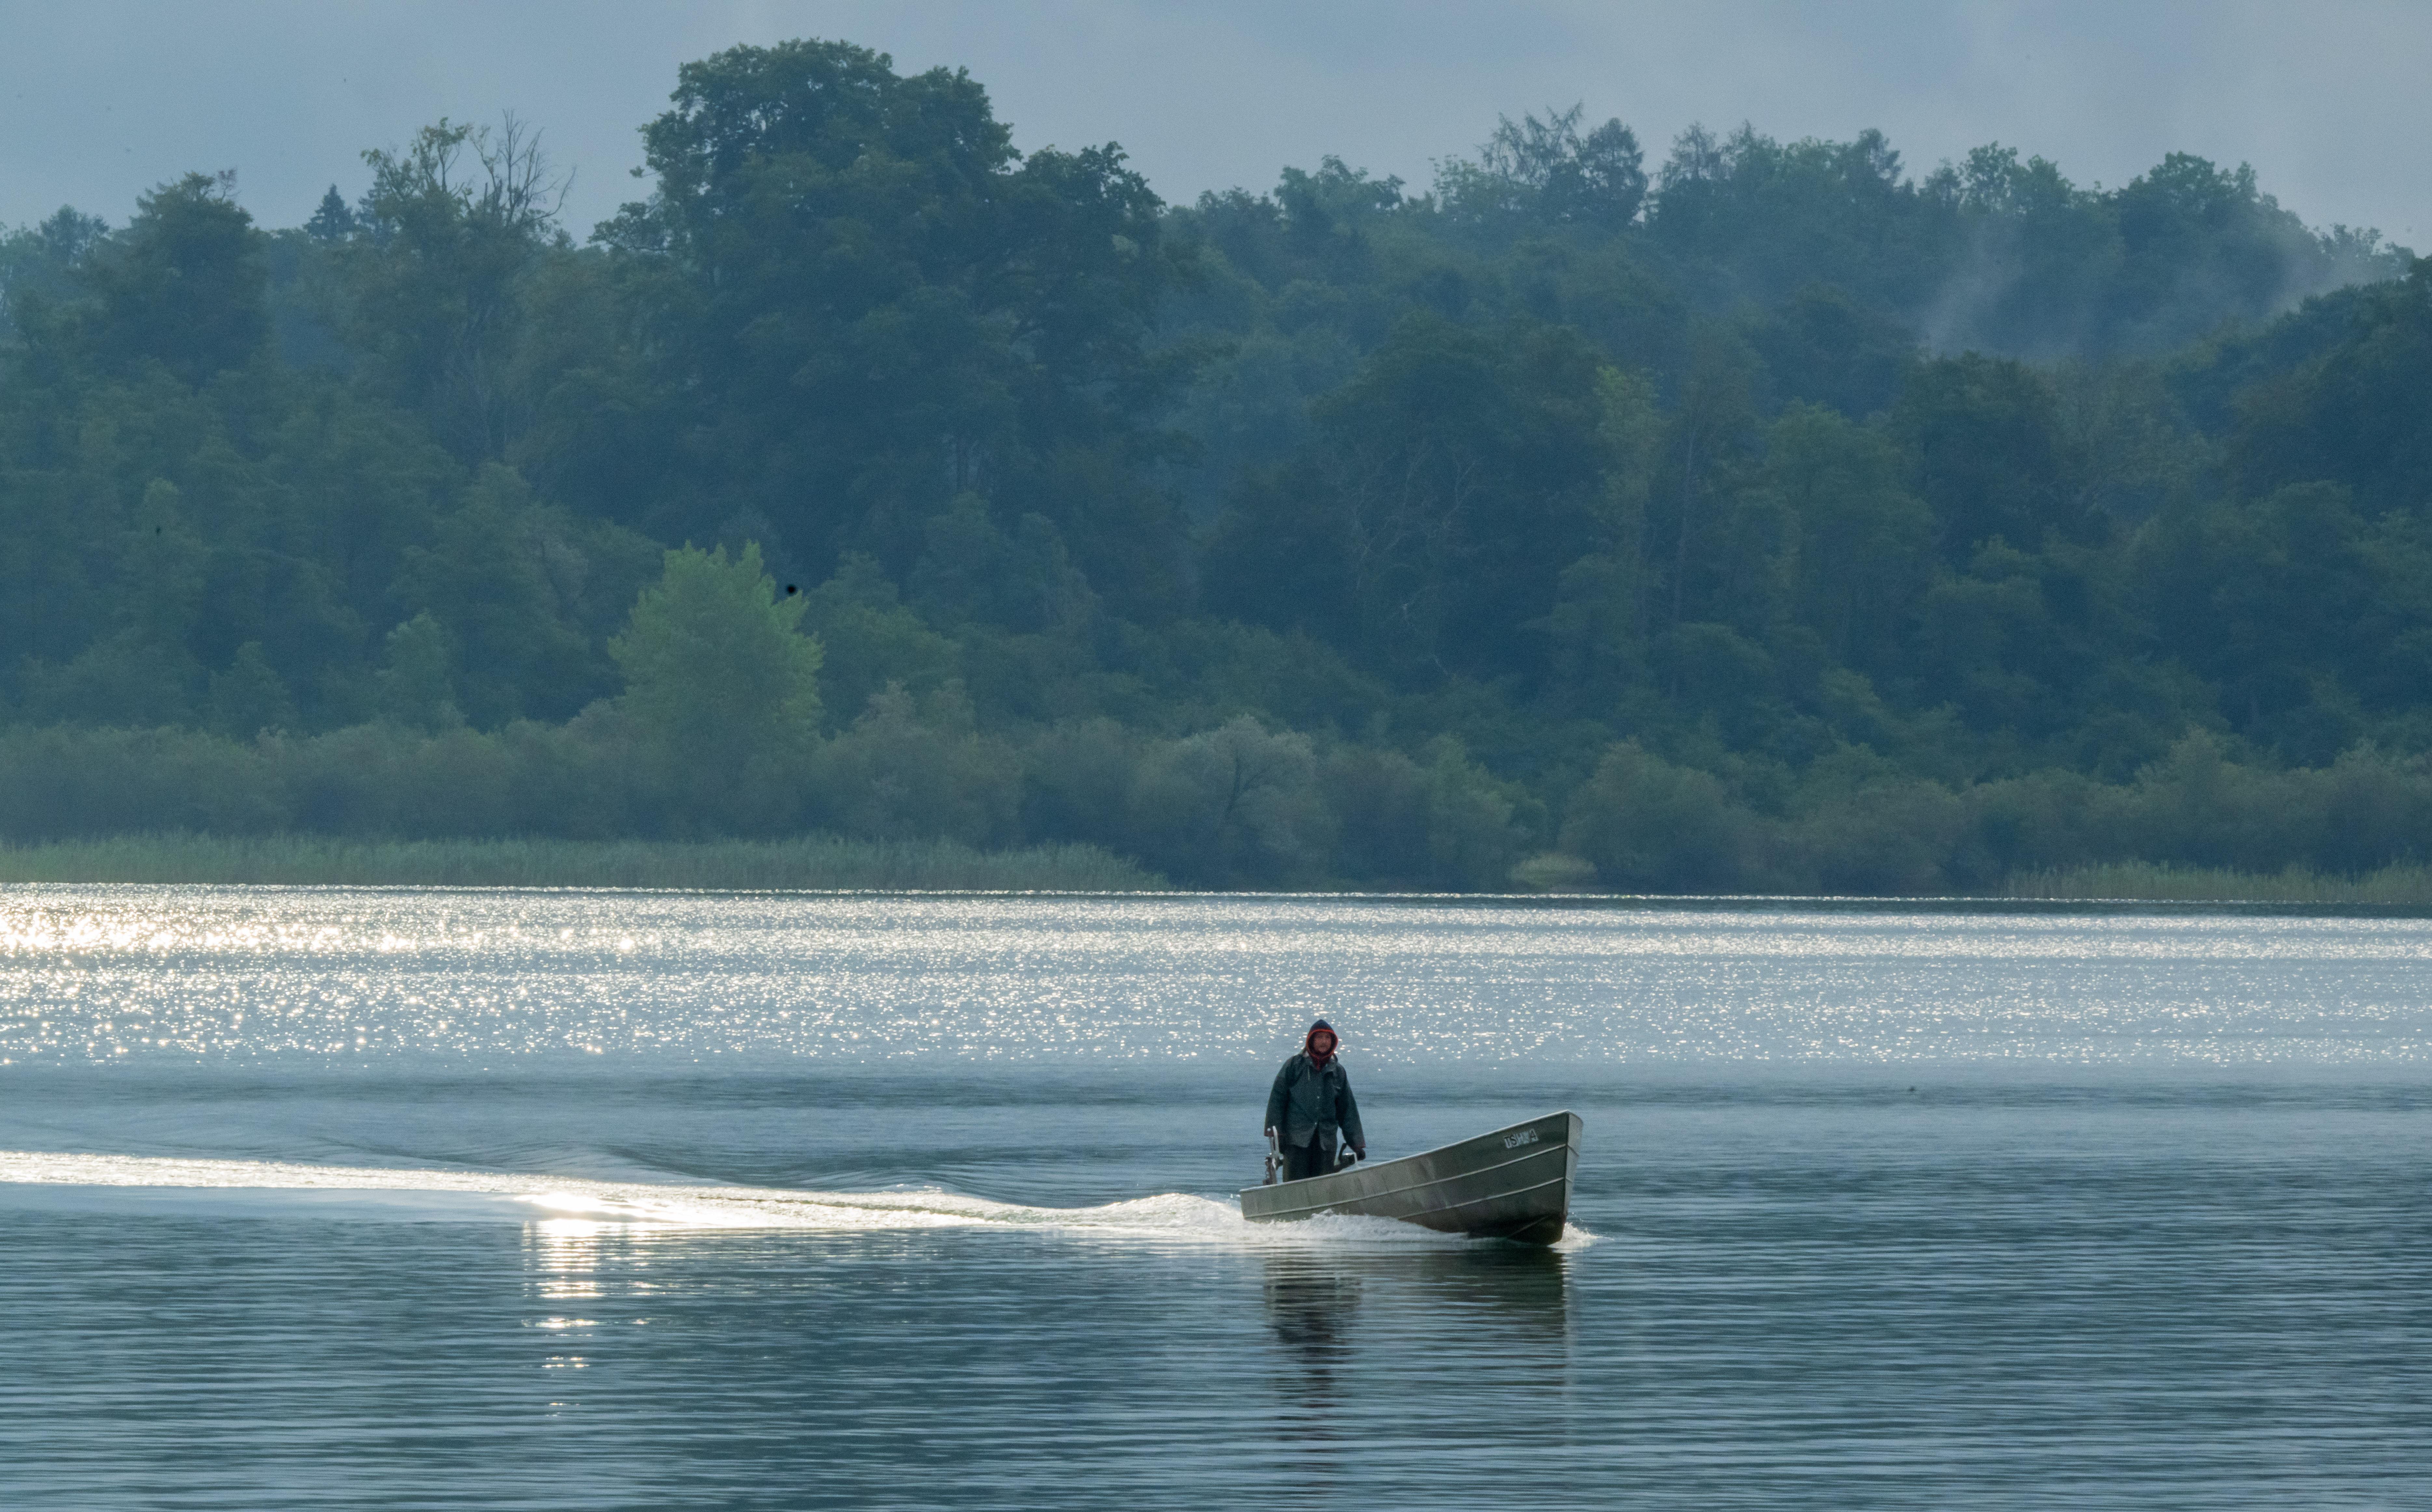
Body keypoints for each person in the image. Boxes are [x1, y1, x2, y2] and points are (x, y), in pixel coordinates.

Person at [1264, 1019, 1366, 1182]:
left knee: (1323, 1187)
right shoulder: (1294, 1066)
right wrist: (1276, 1136)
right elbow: (1277, 1100)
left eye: (1328, 1038)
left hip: (1326, 1142)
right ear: (1311, 1040)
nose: (1324, 1042)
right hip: (1296, 1140)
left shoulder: (1338, 1072)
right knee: (1295, 1187)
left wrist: (1357, 1144)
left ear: (1333, 1042)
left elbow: (1348, 1110)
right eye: (1320, 1038)